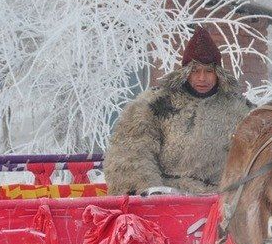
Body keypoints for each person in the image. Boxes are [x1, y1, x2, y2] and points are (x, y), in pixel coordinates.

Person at [104, 26, 251, 195]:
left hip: (223, 199)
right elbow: (130, 154)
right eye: (195, 71)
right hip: (168, 197)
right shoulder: (155, 105)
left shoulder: (239, 110)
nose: (202, 78)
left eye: (209, 71)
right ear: (185, 73)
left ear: (218, 74)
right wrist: (152, 193)